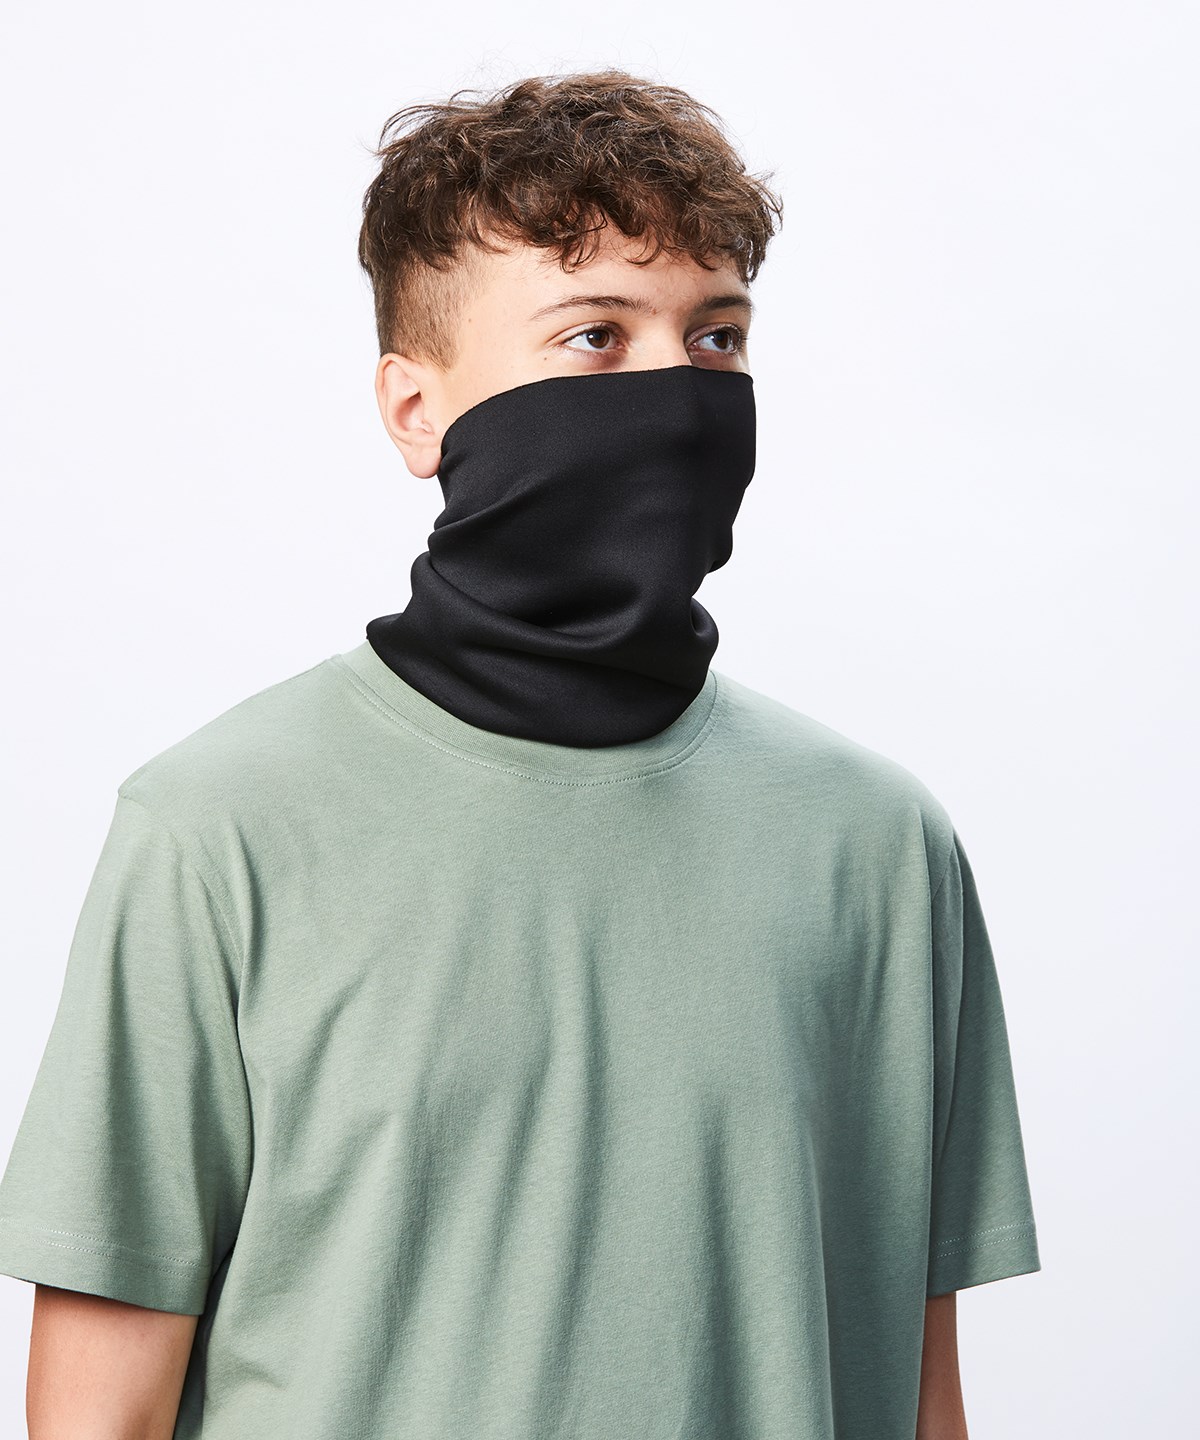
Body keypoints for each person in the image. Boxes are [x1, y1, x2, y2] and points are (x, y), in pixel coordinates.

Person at [0, 70, 1041, 1439]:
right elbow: (100, 1407)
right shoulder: (221, 828)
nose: (675, 389)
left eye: (717, 337)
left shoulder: (880, 844)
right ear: (415, 409)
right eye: (595, 335)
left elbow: (918, 1392)